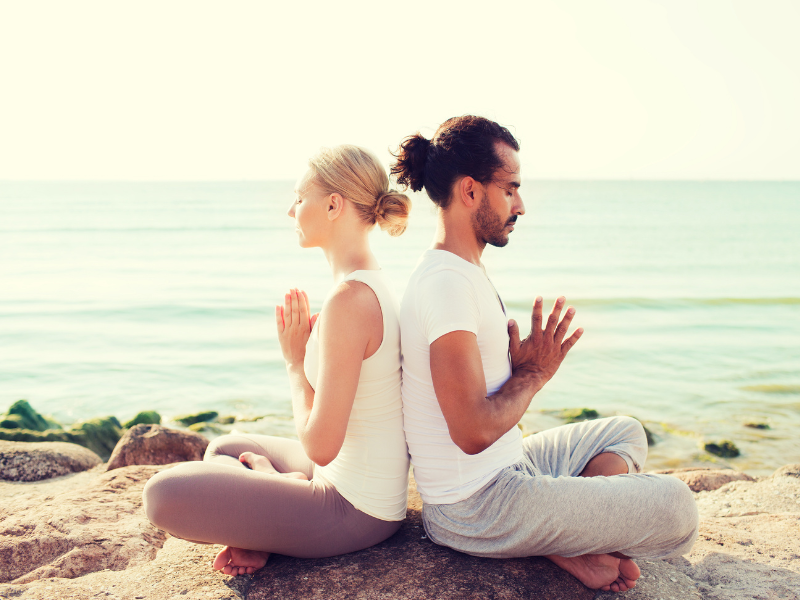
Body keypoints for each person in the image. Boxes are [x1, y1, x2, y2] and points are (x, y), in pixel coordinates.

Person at [391, 116, 699, 593]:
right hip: (474, 504)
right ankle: (569, 537)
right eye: (510, 189)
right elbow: (471, 432)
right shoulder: (445, 284)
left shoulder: (460, 271)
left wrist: (511, 373)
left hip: (510, 468)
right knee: (678, 506)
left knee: (625, 432)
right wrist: (531, 376)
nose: (521, 205)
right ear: (470, 191)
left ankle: (572, 541)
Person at [143, 145, 411, 575]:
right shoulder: (366, 285)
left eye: (299, 197)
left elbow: (321, 444)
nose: (291, 210)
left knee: (161, 495)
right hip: (345, 482)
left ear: (333, 205)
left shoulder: (351, 301)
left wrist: (293, 362)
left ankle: (267, 513)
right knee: (228, 447)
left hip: (352, 509)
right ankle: (266, 516)